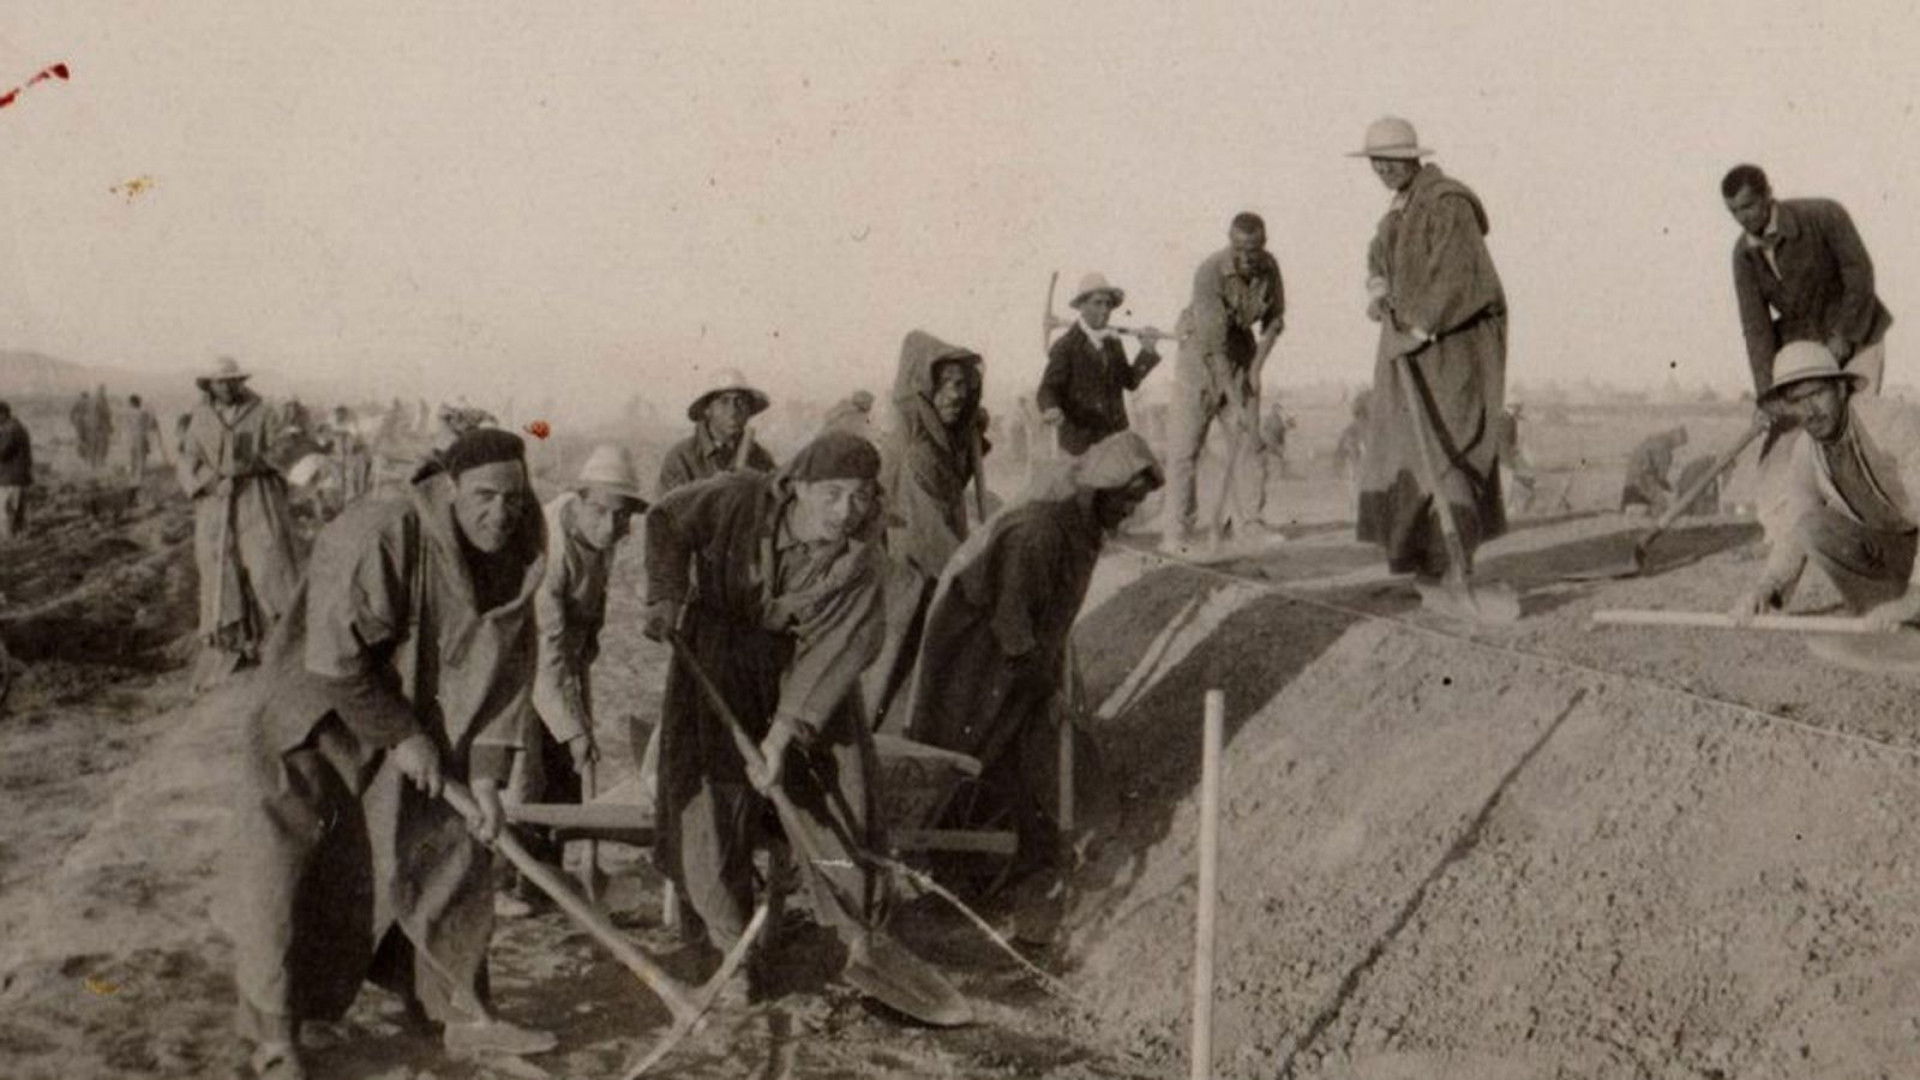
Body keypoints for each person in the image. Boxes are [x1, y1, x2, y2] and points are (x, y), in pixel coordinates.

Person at [224, 428, 556, 1080]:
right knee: (295, 865)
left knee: (453, 842)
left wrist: (487, 777)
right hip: (316, 709)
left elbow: (508, 669)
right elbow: (336, 659)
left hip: (413, 712)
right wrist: (403, 736)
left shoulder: (517, 554)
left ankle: (463, 1016)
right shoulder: (384, 532)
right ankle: (275, 1036)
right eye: (485, 498)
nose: (501, 514)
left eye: (513, 500)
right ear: (450, 488)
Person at [642, 430, 932, 1002]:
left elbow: (834, 655)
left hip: (802, 670)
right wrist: (666, 593)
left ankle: (859, 937)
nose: (845, 511)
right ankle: (730, 946)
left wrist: (781, 737)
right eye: (831, 494)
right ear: (797, 486)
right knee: (712, 804)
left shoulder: (861, 563)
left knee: (840, 792)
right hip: (716, 655)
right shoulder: (736, 498)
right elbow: (665, 519)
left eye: (859, 496)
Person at [902, 432, 1162, 894]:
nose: (1128, 513)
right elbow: (1011, 620)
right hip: (978, 644)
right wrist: (1043, 683)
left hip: (1014, 644)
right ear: (1100, 489)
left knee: (1011, 733)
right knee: (964, 738)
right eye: (1125, 501)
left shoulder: (1078, 525)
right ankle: (926, 850)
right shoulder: (1041, 531)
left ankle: (1018, 841)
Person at [1351, 117, 1509, 581]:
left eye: (1393, 159)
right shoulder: (1396, 213)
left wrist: (1418, 329)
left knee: (1448, 447)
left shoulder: (1447, 204)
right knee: (1407, 453)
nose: (1383, 168)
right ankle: (1426, 563)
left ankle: (1457, 566)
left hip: (1452, 348)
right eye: (1376, 161)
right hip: (1408, 348)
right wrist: (1378, 291)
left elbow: (1460, 277)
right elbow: (1377, 258)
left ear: (1413, 156)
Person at [499, 445, 648, 914]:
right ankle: (500, 881)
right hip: (516, 660)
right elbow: (546, 651)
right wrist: (576, 729)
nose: (610, 526)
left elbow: (581, 629)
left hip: (562, 658)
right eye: (600, 512)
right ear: (578, 500)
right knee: (523, 770)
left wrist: (575, 720)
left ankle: (545, 877)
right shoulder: (551, 548)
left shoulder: (601, 538)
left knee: (564, 767)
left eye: (620, 516)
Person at [1729, 342, 1920, 628]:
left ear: (1841, 389)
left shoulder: (1890, 423)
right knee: (1813, 528)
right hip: (1898, 546)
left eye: (1817, 394)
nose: (1809, 410)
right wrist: (1767, 588)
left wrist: (1915, 597)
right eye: (1796, 400)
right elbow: (1796, 529)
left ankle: (1910, 609)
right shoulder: (1806, 452)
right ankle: (1894, 620)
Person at [867, 330, 988, 729]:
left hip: (928, 579)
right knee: (899, 677)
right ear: (923, 390)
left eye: (962, 385)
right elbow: (933, 537)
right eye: (944, 385)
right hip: (913, 582)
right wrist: (982, 579)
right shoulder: (918, 455)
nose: (955, 395)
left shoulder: (940, 442)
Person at [176, 356, 306, 686]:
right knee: (222, 571)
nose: (227, 387)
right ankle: (231, 647)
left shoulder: (262, 413)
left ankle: (281, 643)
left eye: (233, 381)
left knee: (268, 564)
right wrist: (210, 481)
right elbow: (188, 459)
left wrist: (254, 464)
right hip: (216, 506)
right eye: (220, 382)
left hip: (257, 500)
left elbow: (285, 446)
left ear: (240, 382)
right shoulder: (200, 418)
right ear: (210, 385)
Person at [1162, 212, 1285, 549]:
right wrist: (1235, 398)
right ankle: (1177, 532)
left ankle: (1250, 525)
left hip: (1241, 356)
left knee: (1248, 443)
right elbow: (1214, 349)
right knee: (1184, 449)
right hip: (1198, 362)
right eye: (1239, 249)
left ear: (1263, 245)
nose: (1246, 257)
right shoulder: (1209, 272)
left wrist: (1257, 367)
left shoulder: (1270, 268)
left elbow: (1274, 321)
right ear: (1230, 243)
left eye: (1254, 249)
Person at [1723, 164, 1892, 400]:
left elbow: (1860, 273)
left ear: (1768, 194)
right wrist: (1767, 395)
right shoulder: (1743, 255)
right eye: (1734, 211)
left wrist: (1844, 333)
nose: (1742, 218)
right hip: (1809, 350)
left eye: (1748, 206)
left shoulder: (1824, 214)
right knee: (1818, 426)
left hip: (1861, 336)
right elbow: (1756, 328)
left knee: (1859, 418)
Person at [1038, 273, 1164, 456]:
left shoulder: (1112, 342)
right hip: (1079, 445)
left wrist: (1147, 351)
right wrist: (1051, 408)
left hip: (1115, 440)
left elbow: (1130, 381)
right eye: (1097, 303)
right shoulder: (1066, 346)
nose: (1105, 310)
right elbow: (1048, 388)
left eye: (1108, 304)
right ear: (1082, 306)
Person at [657, 370, 777, 494]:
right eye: (724, 402)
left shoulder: (761, 459)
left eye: (740, 401)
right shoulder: (682, 458)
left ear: (748, 411)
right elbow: (669, 510)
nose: (733, 411)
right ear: (708, 410)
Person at [1620, 427, 1689, 515]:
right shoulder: (1665, 451)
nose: (1677, 447)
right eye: (1680, 444)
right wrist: (1673, 491)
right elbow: (1661, 478)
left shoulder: (1650, 441)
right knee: (1663, 507)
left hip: (1629, 490)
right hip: (1643, 488)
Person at [0, 401, 31, 541]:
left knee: (6, 510)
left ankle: (8, 540)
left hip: (10, 477)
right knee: (18, 510)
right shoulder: (17, 427)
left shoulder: (10, 430)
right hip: (19, 476)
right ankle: (20, 539)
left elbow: (2, 452)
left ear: (3, 414)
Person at [124, 394, 161, 482]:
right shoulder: (143, 413)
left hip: (131, 437)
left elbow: (126, 425)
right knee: (141, 456)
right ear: (138, 403)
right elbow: (150, 425)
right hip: (141, 436)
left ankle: (133, 475)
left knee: (133, 456)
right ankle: (139, 476)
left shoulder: (128, 413)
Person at [91, 384, 114, 469]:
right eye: (102, 390)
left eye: (103, 390)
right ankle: (99, 462)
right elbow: (105, 413)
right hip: (100, 425)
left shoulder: (98, 400)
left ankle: (96, 462)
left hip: (98, 425)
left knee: (99, 444)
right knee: (102, 444)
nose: (103, 392)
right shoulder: (100, 400)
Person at [69, 391, 93, 469]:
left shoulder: (78, 402)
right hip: (86, 422)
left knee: (80, 439)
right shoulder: (89, 403)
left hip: (80, 422)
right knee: (86, 440)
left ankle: (81, 455)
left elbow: (72, 412)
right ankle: (85, 456)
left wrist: (72, 421)